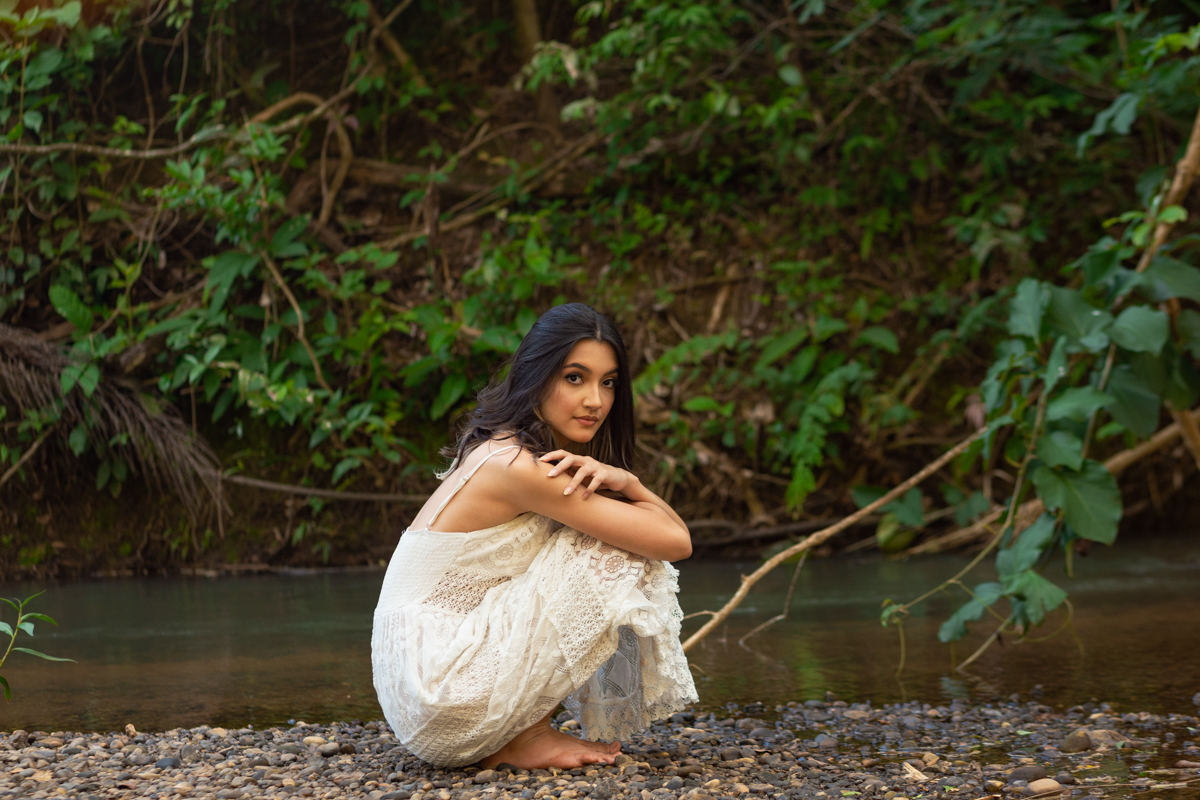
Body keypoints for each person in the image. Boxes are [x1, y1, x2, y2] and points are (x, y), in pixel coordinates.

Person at [372, 303, 698, 770]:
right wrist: (631, 487)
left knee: (616, 538)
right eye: (574, 378)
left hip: (427, 699)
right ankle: (525, 737)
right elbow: (673, 541)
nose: (595, 401)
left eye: (608, 382)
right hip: (442, 696)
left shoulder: (507, 449)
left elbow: (671, 535)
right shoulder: (518, 467)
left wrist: (627, 482)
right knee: (613, 548)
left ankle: (520, 734)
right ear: (536, 376)